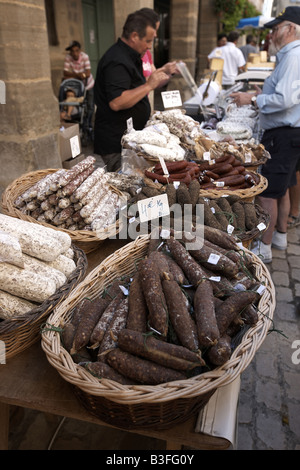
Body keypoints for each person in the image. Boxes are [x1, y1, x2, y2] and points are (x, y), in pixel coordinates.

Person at [230, 6, 300, 263]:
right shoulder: (290, 56)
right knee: (282, 187)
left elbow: (285, 99)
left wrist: (254, 99)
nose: (272, 34)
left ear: (291, 29)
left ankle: (264, 247)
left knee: (268, 192)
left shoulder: (294, 56)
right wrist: (263, 93)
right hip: (288, 133)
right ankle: (280, 236)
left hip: (283, 134)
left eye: (276, 29)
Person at [93, 12, 169, 172]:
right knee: (129, 187)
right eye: (148, 41)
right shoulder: (117, 60)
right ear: (134, 36)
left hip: (129, 139)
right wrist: (148, 86)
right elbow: (117, 102)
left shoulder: (132, 56)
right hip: (117, 144)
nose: (149, 46)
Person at [63, 40, 95, 131]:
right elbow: (65, 73)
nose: (74, 53)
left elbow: (88, 73)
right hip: (78, 85)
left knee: (90, 106)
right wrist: (79, 75)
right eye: (72, 51)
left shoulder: (85, 57)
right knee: (79, 105)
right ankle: (83, 125)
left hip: (88, 85)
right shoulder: (68, 58)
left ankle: (89, 125)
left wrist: (72, 75)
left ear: (80, 51)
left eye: (76, 50)